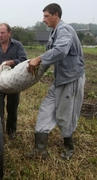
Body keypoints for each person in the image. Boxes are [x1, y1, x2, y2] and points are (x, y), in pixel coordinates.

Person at [25, 3, 85, 159]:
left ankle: (69, 149)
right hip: (59, 79)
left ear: (56, 15)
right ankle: (40, 150)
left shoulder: (65, 30)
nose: (44, 20)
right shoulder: (54, 32)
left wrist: (39, 59)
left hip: (71, 79)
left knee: (65, 114)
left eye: (46, 16)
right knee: (45, 109)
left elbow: (61, 50)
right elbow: (52, 52)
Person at [0, 23, 27, 139]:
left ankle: (11, 131)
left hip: (13, 83)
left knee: (12, 109)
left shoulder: (17, 45)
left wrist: (11, 62)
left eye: (3, 33)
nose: (0, 35)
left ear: (9, 33)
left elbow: (23, 60)